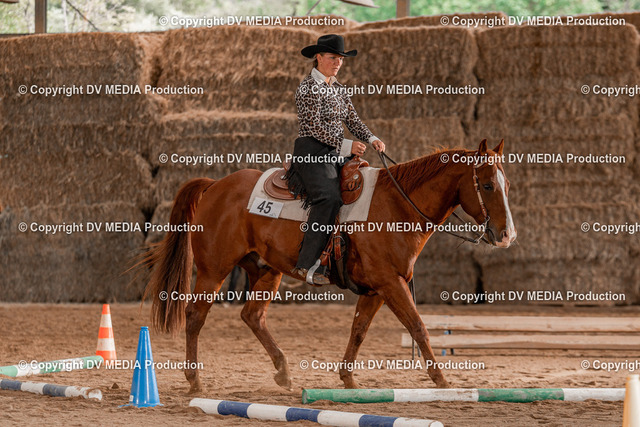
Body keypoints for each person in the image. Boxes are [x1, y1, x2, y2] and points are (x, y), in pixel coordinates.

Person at [287, 34, 386, 286]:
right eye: (333, 58)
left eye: (341, 59)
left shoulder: (339, 88)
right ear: (318, 57)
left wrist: (371, 137)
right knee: (328, 198)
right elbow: (313, 127)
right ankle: (307, 263)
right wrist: (346, 145)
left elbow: (352, 120)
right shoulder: (308, 88)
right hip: (312, 152)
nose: (338, 63)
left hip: (335, 152)